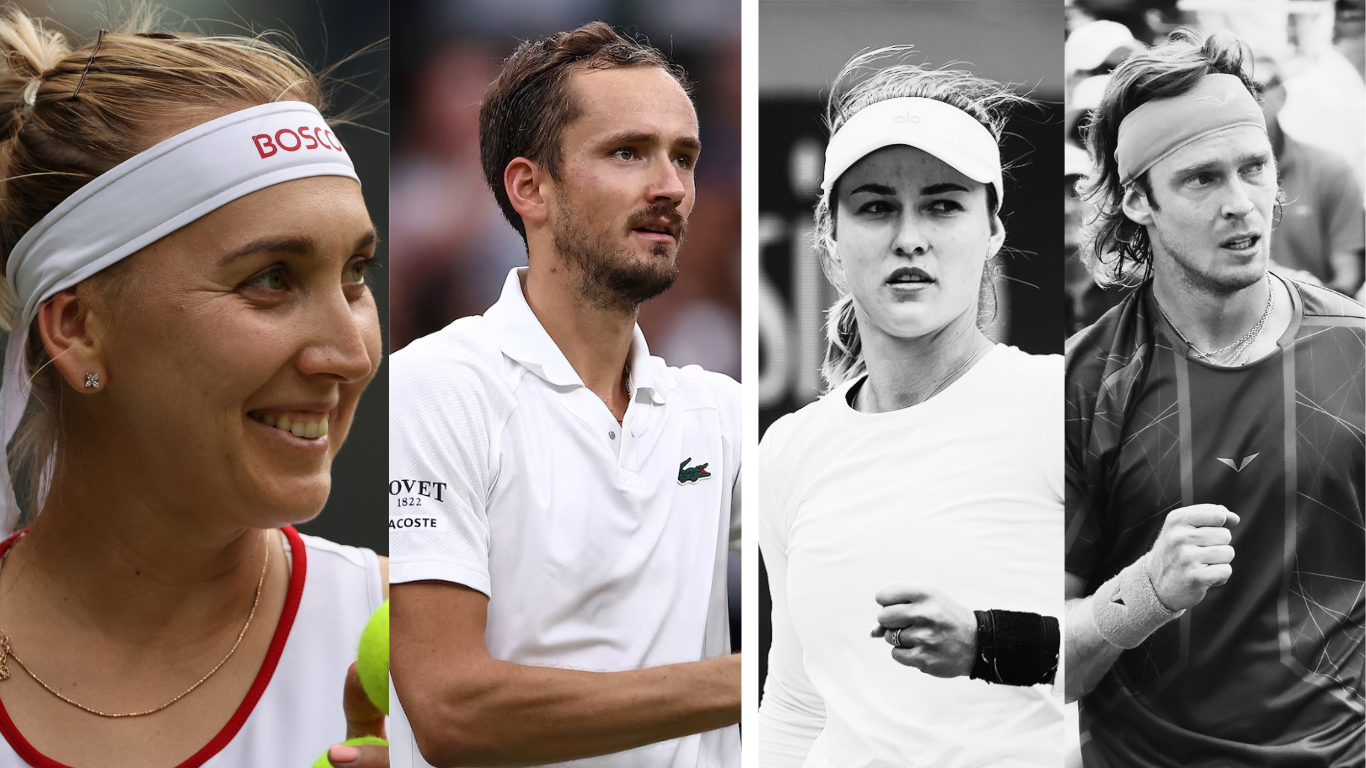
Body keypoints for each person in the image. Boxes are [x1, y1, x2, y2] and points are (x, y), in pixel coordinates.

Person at [0, 10, 388, 768]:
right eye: (271, 280)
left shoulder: (438, 657)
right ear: (77, 326)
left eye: (356, 276)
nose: (350, 354)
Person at [387, 22, 740, 768]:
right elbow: (451, 709)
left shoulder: (719, 411)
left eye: (684, 157)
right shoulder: (437, 387)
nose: (670, 187)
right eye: (628, 152)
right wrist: (750, 679)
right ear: (529, 189)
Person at [756, 48, 1064, 767]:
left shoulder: (1064, 406)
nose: (909, 238)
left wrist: (991, 643)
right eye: (875, 208)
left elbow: (1157, 662)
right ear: (830, 244)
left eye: (942, 204)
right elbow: (797, 705)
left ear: (993, 233)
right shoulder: (790, 450)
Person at [1067, 29, 1364, 765]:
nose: (1242, 204)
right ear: (1137, 200)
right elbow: (1044, 669)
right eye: (1202, 179)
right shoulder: (1083, 381)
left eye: (1254, 168)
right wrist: (1144, 595)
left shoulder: (1358, 349)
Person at [1254, 54, 1364, 295]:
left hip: (1311, 317)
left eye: (1258, 88)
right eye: (1238, 88)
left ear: (1282, 95)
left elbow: (1349, 276)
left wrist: (1303, 297)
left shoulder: (1329, 170)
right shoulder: (1208, 174)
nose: (1249, 99)